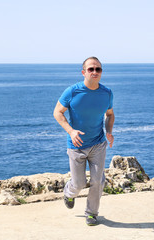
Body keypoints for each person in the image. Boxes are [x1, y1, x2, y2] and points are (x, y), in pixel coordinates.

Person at [53, 56, 115, 226]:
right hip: (76, 145)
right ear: (83, 72)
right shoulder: (72, 91)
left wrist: (109, 131)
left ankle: (91, 214)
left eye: (98, 69)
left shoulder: (107, 93)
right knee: (79, 183)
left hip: (98, 143)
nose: (95, 72)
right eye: (91, 69)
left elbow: (109, 115)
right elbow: (57, 112)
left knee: (98, 180)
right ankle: (69, 192)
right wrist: (71, 131)